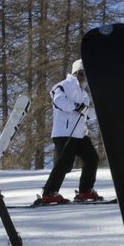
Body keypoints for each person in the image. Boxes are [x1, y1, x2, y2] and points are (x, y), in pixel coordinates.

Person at [34, 59, 104, 206]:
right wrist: (76, 107)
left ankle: (85, 190)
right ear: (75, 73)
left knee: (92, 159)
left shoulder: (83, 94)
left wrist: (101, 111)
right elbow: (57, 99)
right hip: (64, 132)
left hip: (80, 134)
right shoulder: (65, 85)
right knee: (65, 164)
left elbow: (87, 114)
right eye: (82, 73)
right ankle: (49, 193)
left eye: (86, 74)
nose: (84, 77)